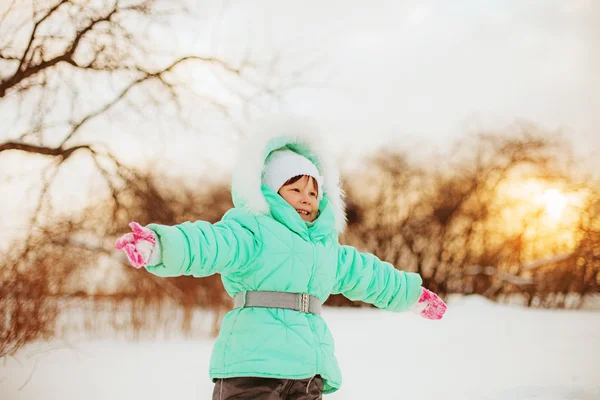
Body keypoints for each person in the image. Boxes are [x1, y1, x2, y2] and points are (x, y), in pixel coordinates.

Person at [115, 115, 447, 399]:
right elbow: (210, 243)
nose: (306, 198)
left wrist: (410, 294)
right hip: (253, 368)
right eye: (296, 189)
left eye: (313, 191)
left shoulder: (325, 248)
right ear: (272, 191)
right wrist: (160, 245)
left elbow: (368, 275)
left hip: (306, 372)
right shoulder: (254, 231)